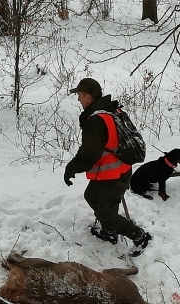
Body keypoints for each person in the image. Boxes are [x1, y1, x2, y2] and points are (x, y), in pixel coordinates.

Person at [64, 78, 151, 256]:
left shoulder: (96, 120)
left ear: (88, 97)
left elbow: (89, 154)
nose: (78, 99)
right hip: (119, 170)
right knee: (92, 196)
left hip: (111, 175)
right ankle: (110, 232)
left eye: (80, 95)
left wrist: (71, 168)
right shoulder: (112, 110)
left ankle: (139, 236)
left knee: (106, 214)